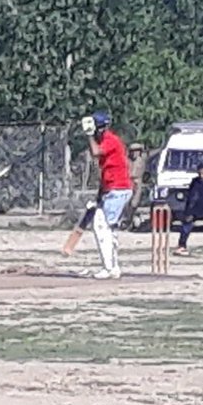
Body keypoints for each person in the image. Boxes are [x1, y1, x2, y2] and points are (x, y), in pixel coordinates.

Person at [82, 111, 133, 279]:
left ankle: (108, 268)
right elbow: (104, 172)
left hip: (118, 189)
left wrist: (89, 135)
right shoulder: (106, 139)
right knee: (109, 228)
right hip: (112, 189)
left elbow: (96, 152)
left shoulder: (110, 140)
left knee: (101, 226)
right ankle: (113, 267)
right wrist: (99, 195)